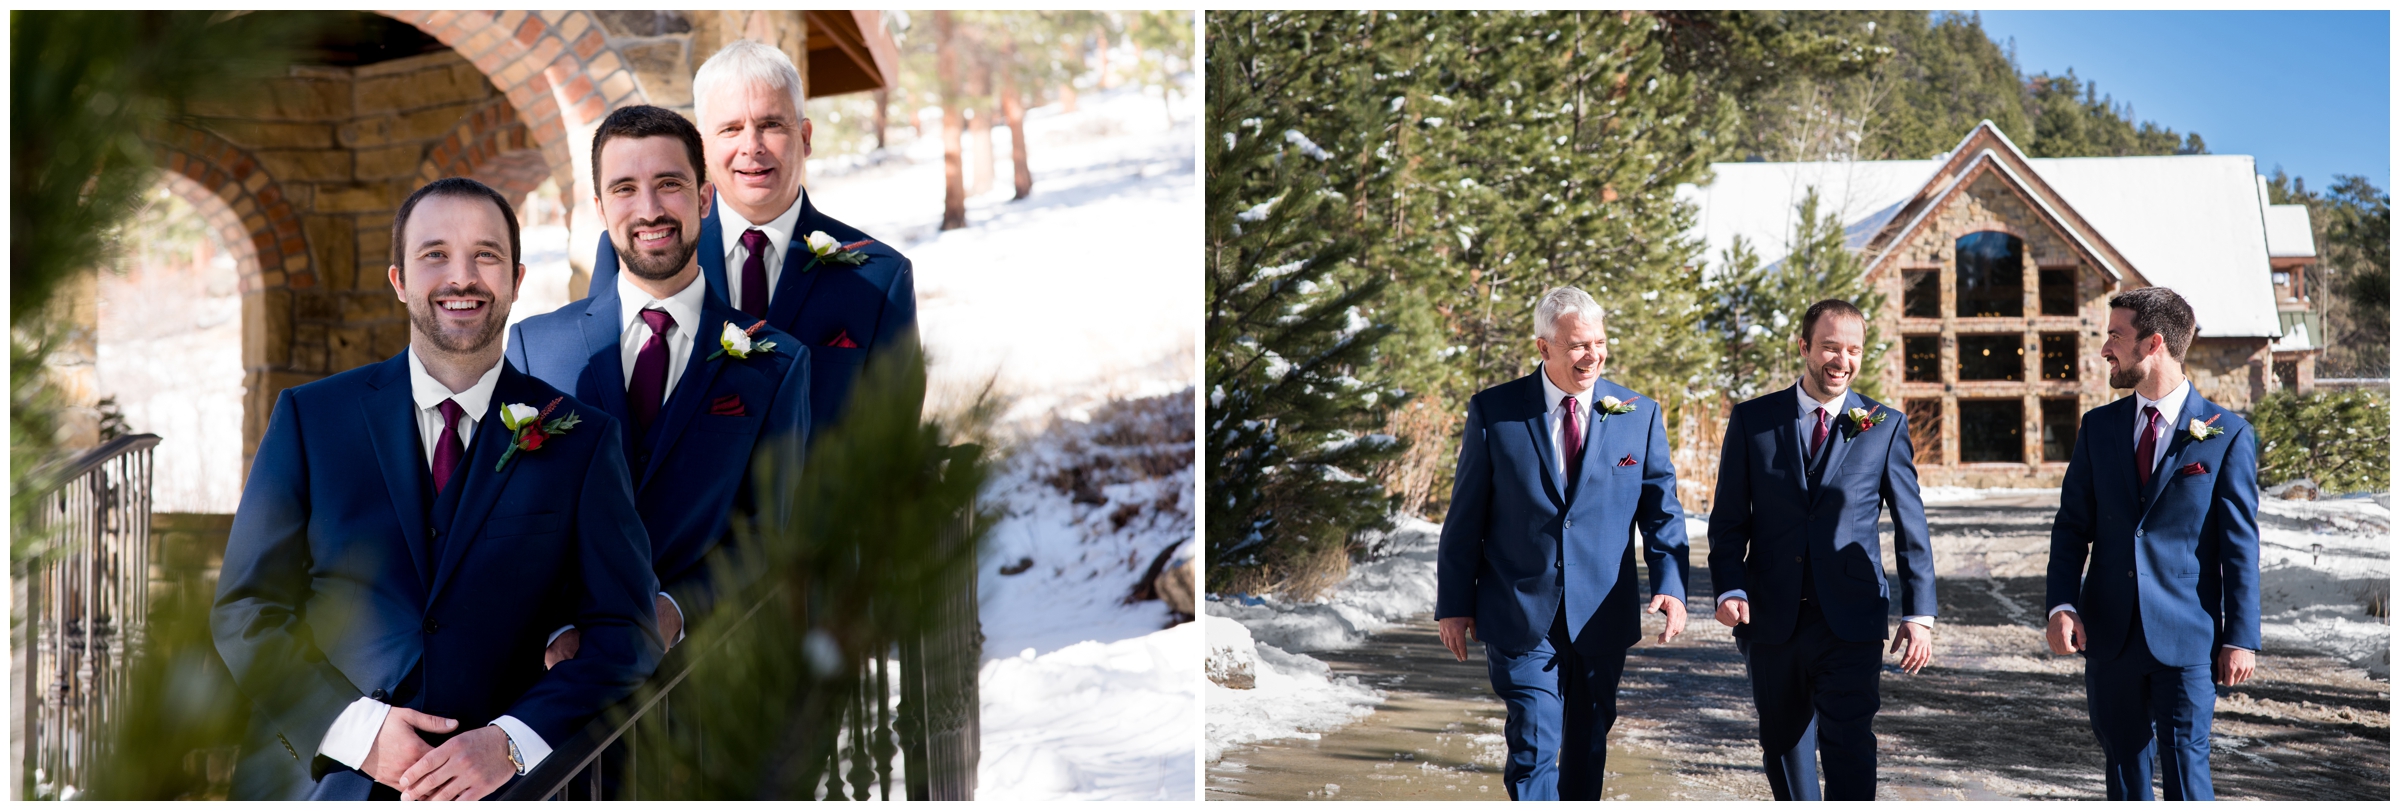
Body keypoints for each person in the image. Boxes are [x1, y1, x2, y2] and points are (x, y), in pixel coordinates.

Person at [212, 178, 662, 801]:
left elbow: (626, 632)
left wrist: (511, 740)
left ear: (516, 278)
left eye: (486, 255)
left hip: (503, 791)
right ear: (398, 280)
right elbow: (246, 609)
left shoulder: (582, 440)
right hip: (321, 783)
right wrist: (359, 732)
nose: (462, 277)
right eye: (435, 255)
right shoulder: (311, 419)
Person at [510, 104, 811, 666]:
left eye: (668, 184)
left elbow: (769, 531)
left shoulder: (777, 362)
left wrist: (676, 609)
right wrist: (554, 627)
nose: (649, 210)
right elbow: (512, 516)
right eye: (625, 189)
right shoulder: (534, 349)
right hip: (565, 687)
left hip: (709, 681)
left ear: (704, 197)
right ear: (600, 209)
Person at [1434, 285, 1691, 801]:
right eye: (1577, 345)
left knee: (1587, 748)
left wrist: (1671, 584)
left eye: (1599, 342)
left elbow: (1661, 510)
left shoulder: (1638, 414)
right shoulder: (1495, 412)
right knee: (1533, 740)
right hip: (1520, 610)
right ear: (1543, 347)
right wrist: (1454, 603)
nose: (1591, 355)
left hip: (1601, 613)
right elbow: (1465, 517)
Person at [587, 39, 914, 435]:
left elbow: (895, 437)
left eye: (771, 124)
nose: (752, 147)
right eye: (731, 129)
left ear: (805, 136)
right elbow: (602, 398)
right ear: (703, 146)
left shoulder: (880, 276)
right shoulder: (638, 248)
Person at [1708, 298, 1936, 801]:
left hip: (1851, 618)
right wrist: (1729, 586)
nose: (1842, 361)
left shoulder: (1884, 424)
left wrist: (1920, 613)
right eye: (1831, 347)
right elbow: (1727, 523)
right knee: (1783, 746)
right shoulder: (1753, 421)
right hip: (1771, 617)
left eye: (1852, 350)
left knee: (1850, 742)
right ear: (1804, 347)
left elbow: (1910, 526)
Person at [2046, 286, 2259, 801]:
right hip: (2109, 636)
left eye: (2115, 336)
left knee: (2187, 770)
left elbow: (2239, 545)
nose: (2104, 350)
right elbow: (2072, 526)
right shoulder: (2097, 428)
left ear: (2153, 343)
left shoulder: (2226, 434)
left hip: (2188, 638)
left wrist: (2241, 637)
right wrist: (2061, 604)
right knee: (2122, 773)